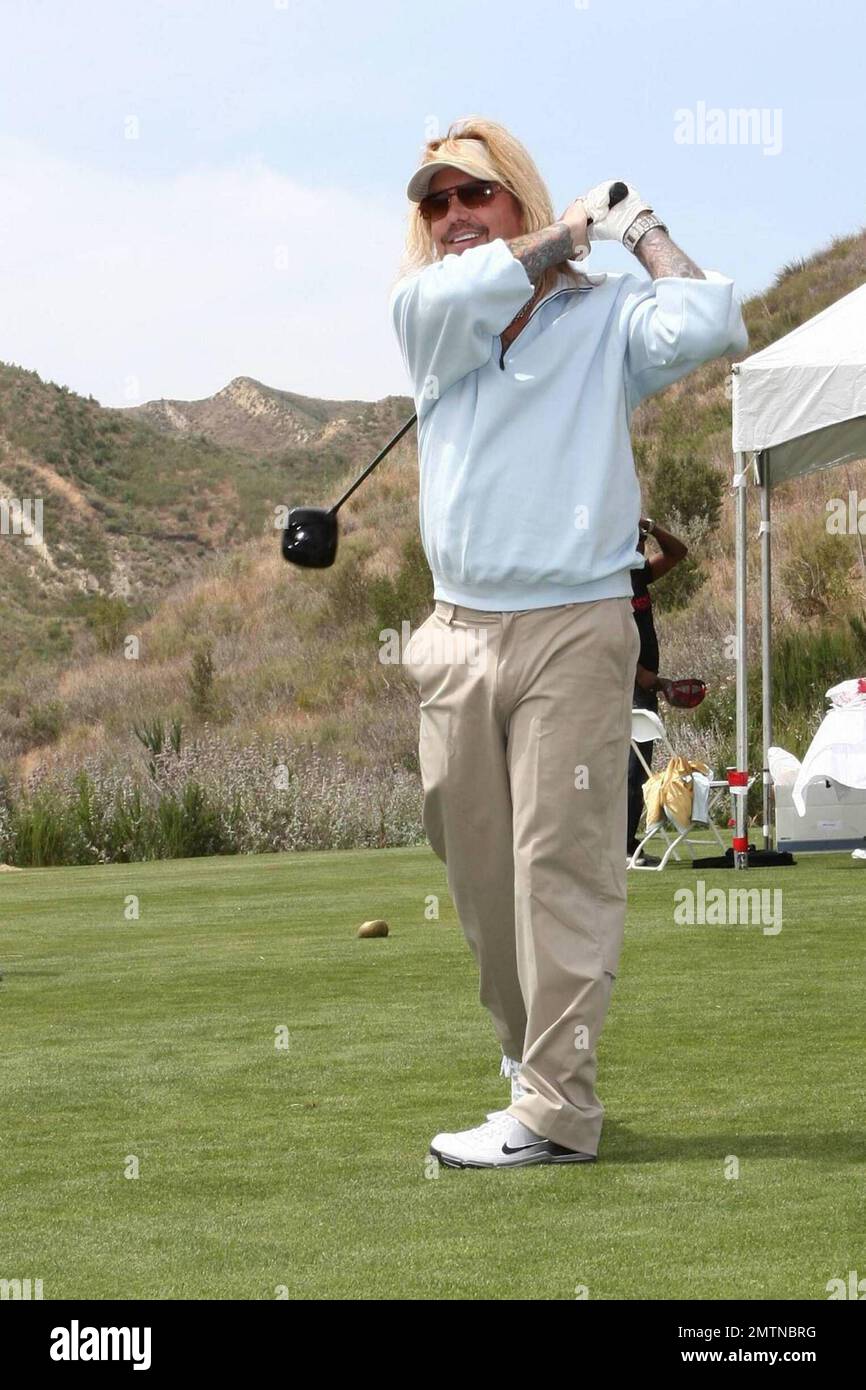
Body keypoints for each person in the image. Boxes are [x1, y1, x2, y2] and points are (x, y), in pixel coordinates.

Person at [389, 115, 748, 1168]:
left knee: (561, 868)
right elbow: (459, 291)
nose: (454, 216)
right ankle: (529, 1067)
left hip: (573, 626)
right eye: (436, 201)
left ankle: (553, 1110)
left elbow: (710, 317)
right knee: (478, 875)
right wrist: (555, 236)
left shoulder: (601, 322)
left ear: (517, 196)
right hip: (455, 634)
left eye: (475, 194)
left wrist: (635, 226)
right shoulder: (429, 312)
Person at [627, 515, 688, 865]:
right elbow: (610, 634)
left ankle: (626, 843)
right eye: (634, 540)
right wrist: (642, 675)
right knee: (630, 771)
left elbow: (678, 552)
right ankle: (621, 847)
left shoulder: (639, 576)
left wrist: (651, 527)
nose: (639, 546)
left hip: (645, 687)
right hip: (626, 685)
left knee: (638, 770)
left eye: (640, 541)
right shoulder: (612, 582)